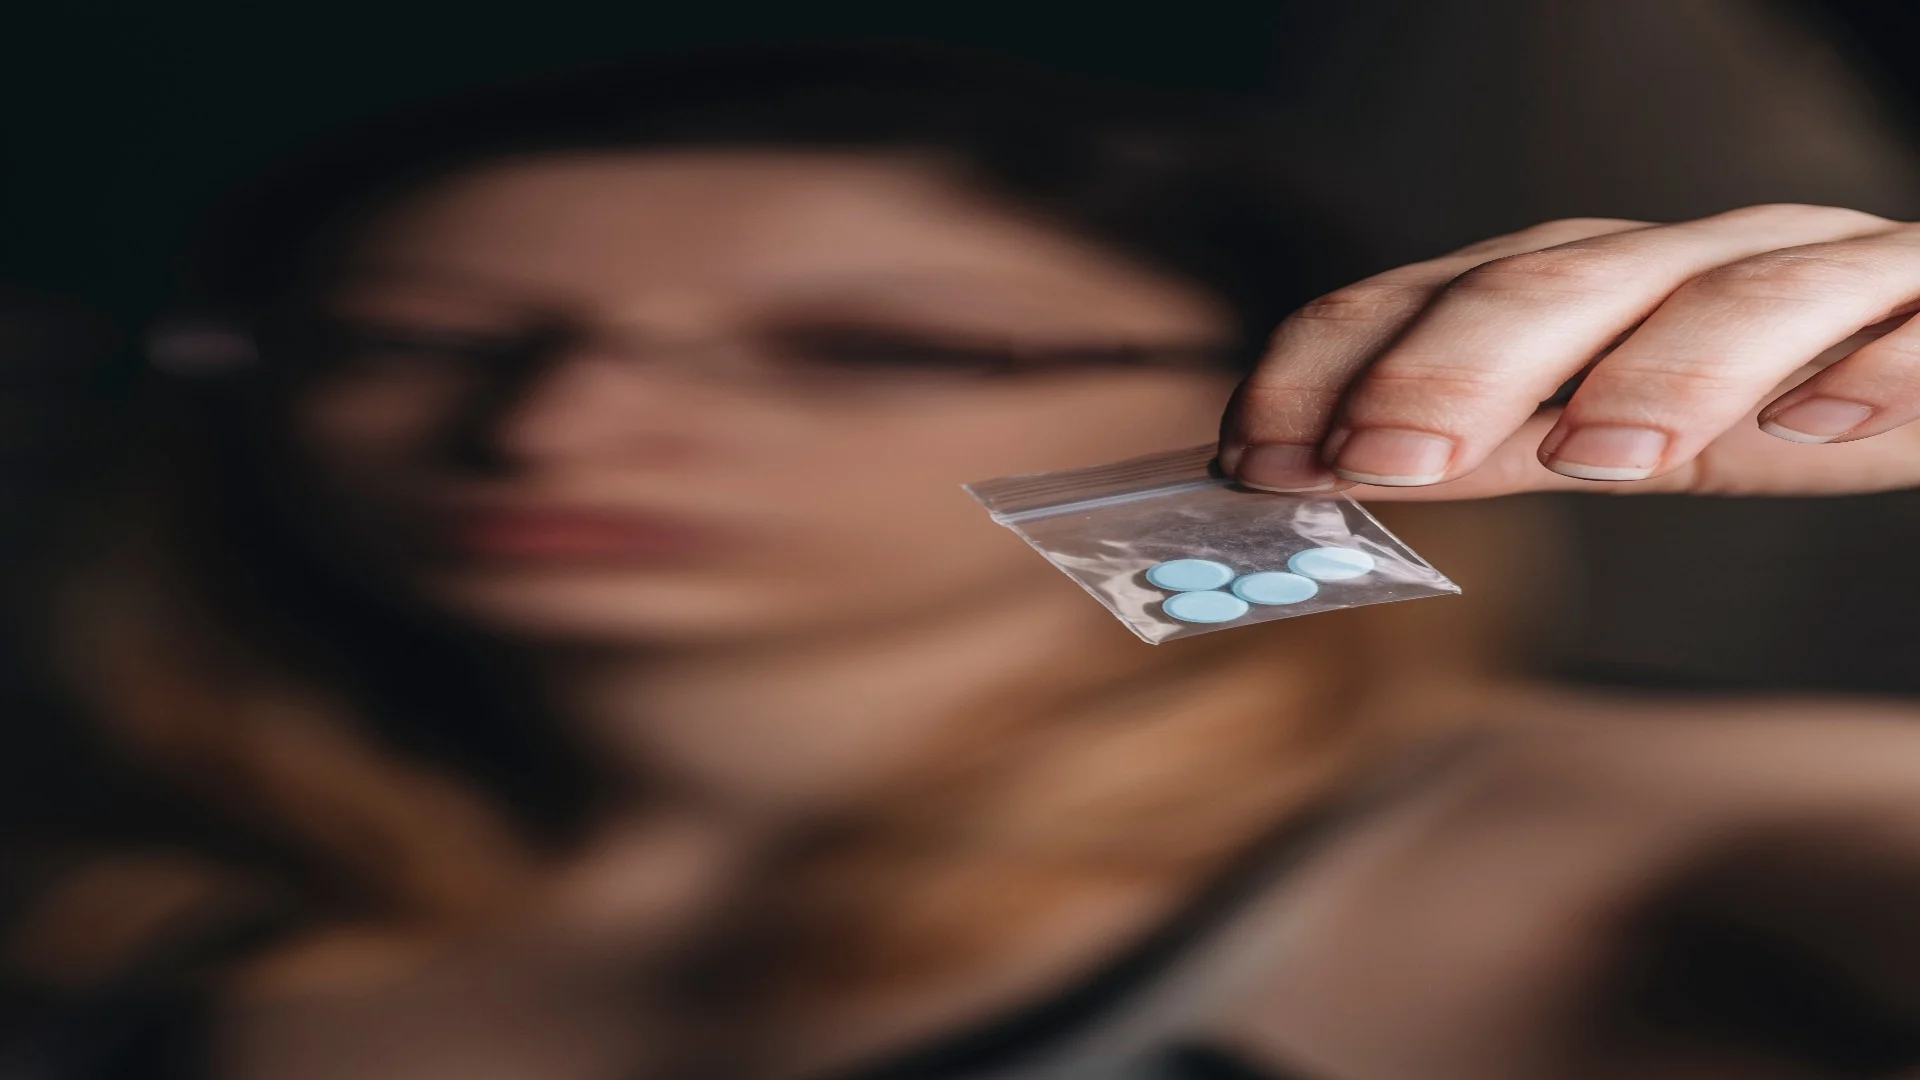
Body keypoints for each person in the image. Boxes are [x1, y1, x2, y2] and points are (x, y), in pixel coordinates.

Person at [5, 43, 1920, 1080]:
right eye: (412, 343)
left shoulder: (1672, 841)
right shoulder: (130, 906)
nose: (552, 430)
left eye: (875, 347)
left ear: (1284, 384)